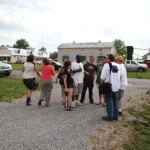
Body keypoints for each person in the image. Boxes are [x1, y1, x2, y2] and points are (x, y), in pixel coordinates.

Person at [101, 54, 121, 122]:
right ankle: (116, 116)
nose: (105, 59)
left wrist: (101, 85)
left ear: (109, 59)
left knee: (109, 101)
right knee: (115, 101)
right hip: (116, 86)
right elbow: (120, 76)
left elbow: (103, 77)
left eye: (106, 58)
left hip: (109, 86)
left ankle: (110, 116)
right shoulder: (118, 65)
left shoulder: (106, 65)